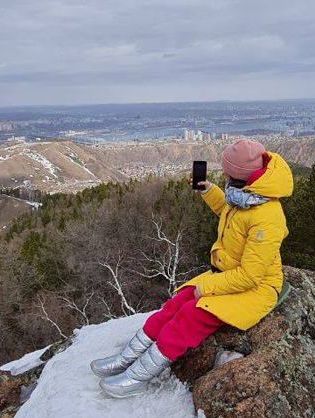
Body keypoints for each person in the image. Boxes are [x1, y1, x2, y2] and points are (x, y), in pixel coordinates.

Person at [90, 138, 294, 398]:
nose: (225, 176)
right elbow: (229, 211)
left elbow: (251, 276)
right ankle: (127, 357)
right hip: (226, 276)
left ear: (240, 175)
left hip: (256, 287)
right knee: (176, 304)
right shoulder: (247, 196)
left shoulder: (267, 217)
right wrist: (209, 190)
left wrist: (206, 287)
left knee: (191, 314)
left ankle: (137, 376)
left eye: (228, 173)